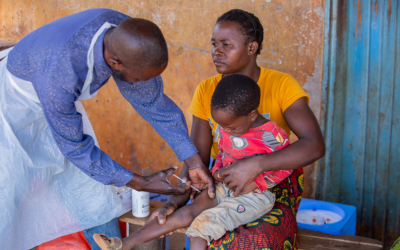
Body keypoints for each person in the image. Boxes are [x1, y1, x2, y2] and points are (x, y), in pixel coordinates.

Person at [0, 8, 214, 250]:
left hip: (58, 102)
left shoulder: (127, 34)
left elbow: (154, 103)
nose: (142, 85)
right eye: (138, 79)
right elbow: (76, 149)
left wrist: (193, 161)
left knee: (94, 197)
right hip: (12, 111)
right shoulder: (60, 73)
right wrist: (140, 182)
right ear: (114, 62)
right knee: (7, 202)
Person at [147, 9, 325, 249]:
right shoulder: (206, 90)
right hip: (223, 181)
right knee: (203, 227)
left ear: (251, 48)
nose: (216, 52)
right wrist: (176, 201)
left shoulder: (282, 85)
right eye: (214, 44)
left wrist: (256, 165)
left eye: (226, 45)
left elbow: (314, 145)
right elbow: (196, 157)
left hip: (271, 185)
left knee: (260, 237)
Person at [92, 74, 296, 250]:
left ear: (252, 115)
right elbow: (224, 154)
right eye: (221, 126)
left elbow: (284, 165)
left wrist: (258, 181)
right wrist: (216, 174)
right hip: (224, 187)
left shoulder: (271, 135)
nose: (225, 131)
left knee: (200, 227)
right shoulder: (228, 126)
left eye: (231, 128)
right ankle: (123, 244)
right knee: (187, 211)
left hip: (253, 197)